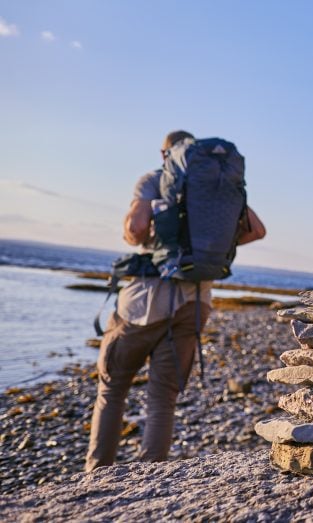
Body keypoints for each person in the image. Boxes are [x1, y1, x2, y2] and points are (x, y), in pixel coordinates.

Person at [85, 130, 266, 471]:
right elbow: (257, 231)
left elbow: (137, 229)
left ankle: (97, 476)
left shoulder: (154, 180)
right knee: (163, 398)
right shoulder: (219, 190)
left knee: (112, 389)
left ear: (165, 153)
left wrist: (137, 234)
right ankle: (151, 477)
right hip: (195, 303)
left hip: (144, 303)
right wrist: (209, 249)